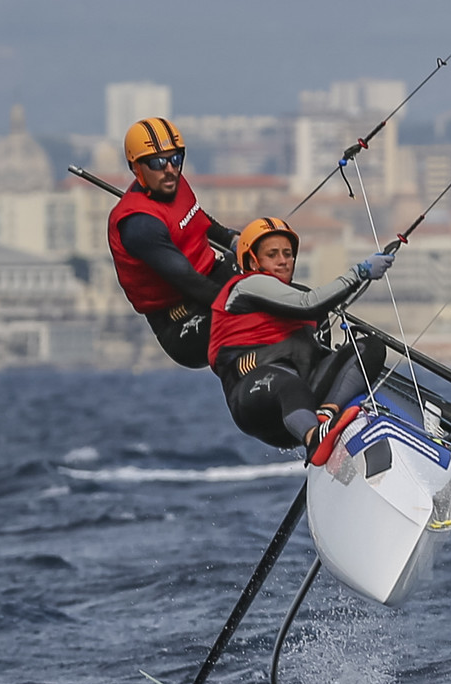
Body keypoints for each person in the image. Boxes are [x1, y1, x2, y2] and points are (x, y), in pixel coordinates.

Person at [209, 216, 396, 461]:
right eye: (272, 254)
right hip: (254, 400)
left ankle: (326, 418)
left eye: (287, 254)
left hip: (303, 403)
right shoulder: (246, 286)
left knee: (371, 348)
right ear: (253, 261)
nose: (283, 261)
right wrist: (359, 272)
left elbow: (321, 350)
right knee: (288, 381)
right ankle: (314, 438)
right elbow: (309, 305)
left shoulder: (301, 296)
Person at [106, 117, 238, 368]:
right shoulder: (140, 225)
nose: (169, 169)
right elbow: (187, 280)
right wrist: (245, 300)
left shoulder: (174, 183)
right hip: (181, 320)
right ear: (137, 168)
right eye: (157, 163)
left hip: (212, 278)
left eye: (175, 159)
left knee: (282, 287)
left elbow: (196, 216)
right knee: (261, 315)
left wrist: (234, 240)